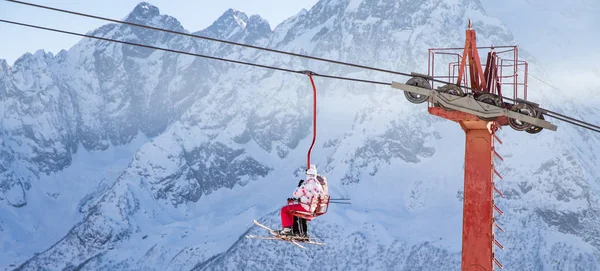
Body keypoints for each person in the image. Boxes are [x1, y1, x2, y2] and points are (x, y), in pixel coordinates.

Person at [277, 165, 325, 236]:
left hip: (305, 207)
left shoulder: (307, 184)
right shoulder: (318, 184)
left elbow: (296, 194)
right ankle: (293, 231)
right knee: (292, 210)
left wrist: (299, 187)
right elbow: (322, 196)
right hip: (312, 208)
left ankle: (287, 230)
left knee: (284, 210)